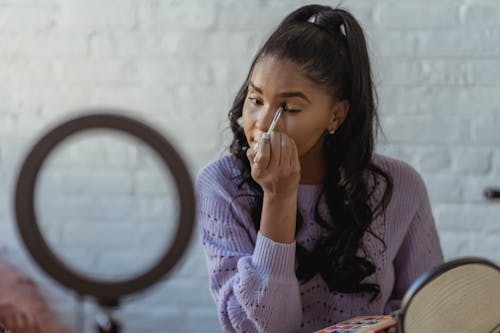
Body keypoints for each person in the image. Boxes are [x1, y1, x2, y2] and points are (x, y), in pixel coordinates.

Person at [196, 4, 443, 333]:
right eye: (255, 100)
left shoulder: (401, 187)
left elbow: (431, 310)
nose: (263, 124)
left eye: (290, 108)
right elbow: (264, 328)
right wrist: (279, 197)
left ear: (336, 116)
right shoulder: (220, 185)